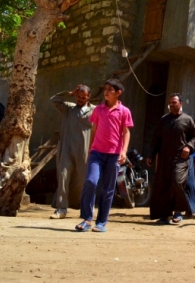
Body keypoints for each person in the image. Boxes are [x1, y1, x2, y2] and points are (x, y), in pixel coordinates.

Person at [75, 79, 133, 233]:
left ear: (118, 93)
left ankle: (101, 222)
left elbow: (126, 132)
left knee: (107, 189)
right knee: (91, 182)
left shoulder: (124, 111)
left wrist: (124, 151)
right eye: (105, 89)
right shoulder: (98, 110)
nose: (106, 92)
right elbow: (94, 130)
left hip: (114, 154)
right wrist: (90, 150)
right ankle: (87, 218)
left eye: (110, 89)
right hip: (97, 153)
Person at [149, 93, 195, 224]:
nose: (171, 105)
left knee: (177, 182)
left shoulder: (187, 120)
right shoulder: (164, 119)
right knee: (163, 185)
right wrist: (151, 155)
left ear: (181, 103)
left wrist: (188, 146)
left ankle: (178, 210)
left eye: (174, 102)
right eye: (170, 103)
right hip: (165, 158)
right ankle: (164, 214)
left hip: (181, 158)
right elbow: (156, 139)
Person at [50, 85, 96, 219]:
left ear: (89, 97)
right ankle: (61, 208)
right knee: (63, 177)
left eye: (83, 97)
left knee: (83, 180)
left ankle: (85, 206)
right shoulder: (68, 108)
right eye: (79, 97)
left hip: (85, 151)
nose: (80, 99)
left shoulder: (95, 111)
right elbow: (54, 100)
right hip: (66, 148)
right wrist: (69, 93)